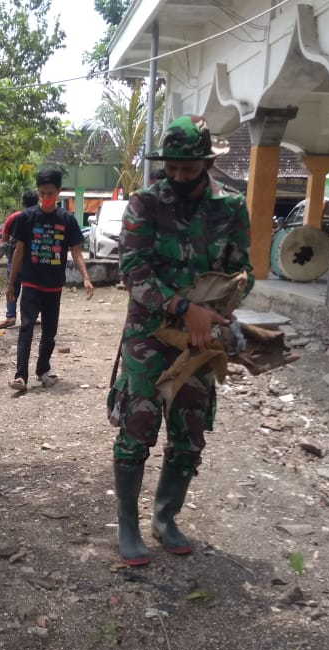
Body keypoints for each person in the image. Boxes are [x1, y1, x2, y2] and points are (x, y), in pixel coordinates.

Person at [107, 115, 253, 566]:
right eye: (171, 167)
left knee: (189, 433)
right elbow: (132, 270)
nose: (178, 176)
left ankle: (165, 518)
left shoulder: (230, 207)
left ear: (206, 163)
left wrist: (218, 312)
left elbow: (242, 271)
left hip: (201, 337)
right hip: (150, 333)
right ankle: (128, 526)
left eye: (188, 168)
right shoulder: (145, 204)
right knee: (138, 426)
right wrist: (182, 308)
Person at [6, 169, 94, 392]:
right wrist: (10, 283)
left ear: (59, 192)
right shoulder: (27, 217)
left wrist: (85, 277)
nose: (45, 197)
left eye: (50, 193)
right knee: (26, 327)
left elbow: (75, 251)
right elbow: (19, 251)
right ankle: (20, 376)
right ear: (37, 192)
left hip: (53, 285)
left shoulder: (67, 220)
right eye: (41, 193)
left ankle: (42, 369)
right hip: (31, 282)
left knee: (49, 331)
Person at [0, 190, 39, 329]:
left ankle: (11, 316)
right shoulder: (40, 217)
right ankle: (31, 316)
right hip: (34, 260)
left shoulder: (14, 217)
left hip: (15, 259)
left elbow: (4, 239)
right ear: (37, 201)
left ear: (23, 202)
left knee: (12, 286)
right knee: (32, 289)